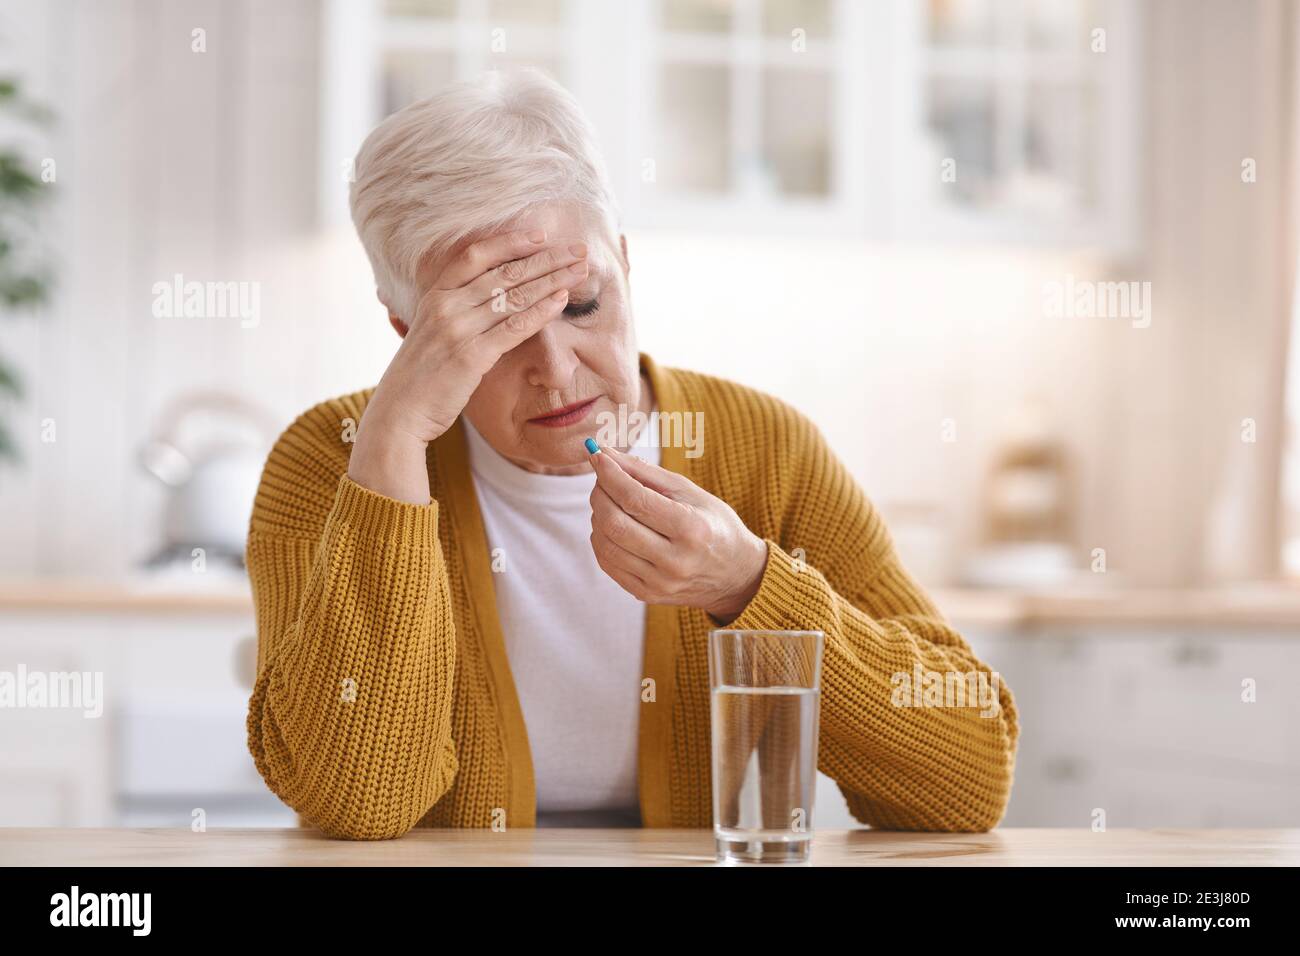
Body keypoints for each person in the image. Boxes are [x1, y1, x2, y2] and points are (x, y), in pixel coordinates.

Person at [244, 69, 1018, 840]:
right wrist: (394, 439)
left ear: (623, 258)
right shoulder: (331, 459)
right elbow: (358, 802)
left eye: (582, 304)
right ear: (407, 332)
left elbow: (969, 779)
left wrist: (749, 585)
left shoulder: (765, 450)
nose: (556, 368)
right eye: (493, 329)